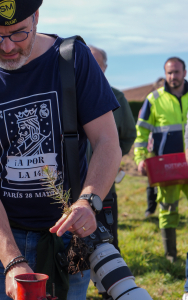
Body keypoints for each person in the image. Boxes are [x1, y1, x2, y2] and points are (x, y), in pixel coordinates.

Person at [0, 1, 122, 299]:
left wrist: (88, 202)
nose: (8, 46)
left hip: (67, 238)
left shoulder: (73, 60)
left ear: (36, 16)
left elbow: (107, 143)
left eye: (18, 33)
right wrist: (13, 261)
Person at [134, 57, 188, 263]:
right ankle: (171, 256)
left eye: (176, 72)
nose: (173, 76)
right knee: (167, 210)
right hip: (167, 167)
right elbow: (141, 133)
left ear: (185, 72)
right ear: (165, 74)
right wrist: (140, 158)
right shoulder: (154, 99)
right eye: (169, 73)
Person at [89, 46, 136, 255]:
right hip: (69, 185)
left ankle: (109, 285)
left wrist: (108, 159)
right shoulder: (64, 96)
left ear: (105, 68)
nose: (89, 68)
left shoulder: (116, 97)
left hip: (104, 187)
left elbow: (127, 135)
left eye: (95, 63)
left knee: (106, 238)